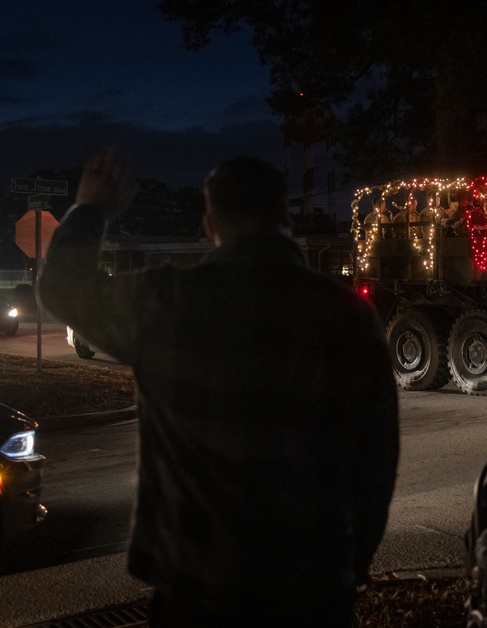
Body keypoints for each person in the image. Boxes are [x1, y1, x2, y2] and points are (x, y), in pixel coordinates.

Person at [38, 149, 399, 627]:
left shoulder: (169, 304)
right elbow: (377, 461)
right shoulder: (351, 317)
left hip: (198, 587)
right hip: (312, 588)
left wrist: (90, 211)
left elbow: (61, 286)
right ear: (284, 214)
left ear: (210, 224)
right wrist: (352, 564)